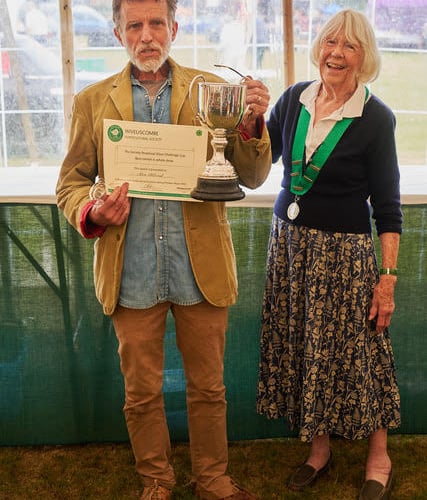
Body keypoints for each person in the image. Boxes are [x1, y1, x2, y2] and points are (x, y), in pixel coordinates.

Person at [56, 1, 271, 499]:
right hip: (131, 268)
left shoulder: (212, 92)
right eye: (135, 25)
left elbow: (254, 174)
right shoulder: (92, 101)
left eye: (157, 24)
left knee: (209, 389)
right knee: (141, 392)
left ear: (174, 28)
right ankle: (157, 481)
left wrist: (252, 123)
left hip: (200, 269)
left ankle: (212, 479)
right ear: (118, 34)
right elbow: (70, 184)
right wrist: (93, 211)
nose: (147, 35)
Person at [256, 9, 401, 500]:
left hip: (345, 257)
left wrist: (387, 281)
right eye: (330, 42)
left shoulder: (377, 118)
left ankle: (378, 456)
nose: (336, 53)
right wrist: (248, 120)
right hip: (291, 248)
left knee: (364, 354)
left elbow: (388, 206)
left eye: (350, 46)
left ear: (365, 57)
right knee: (304, 348)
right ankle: (319, 450)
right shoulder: (293, 99)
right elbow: (260, 160)